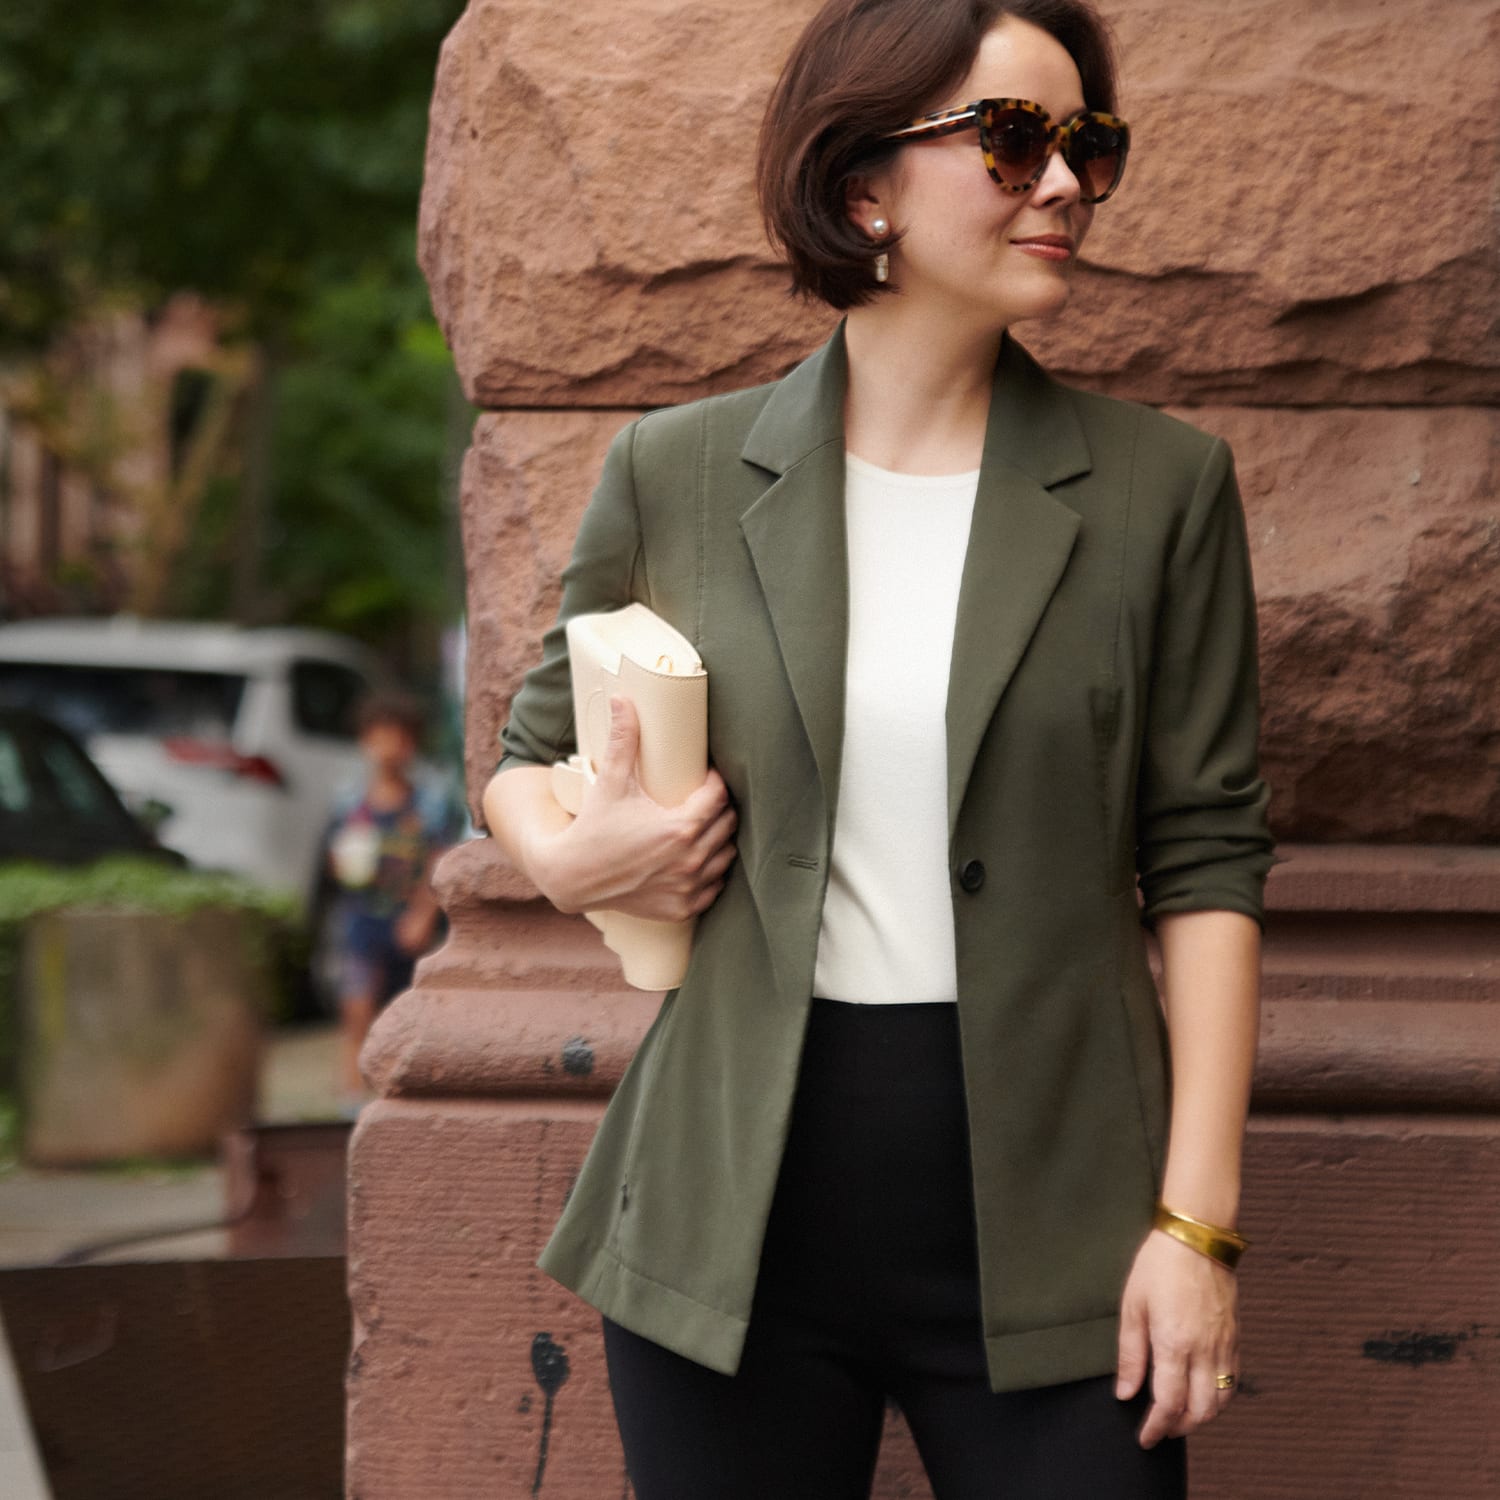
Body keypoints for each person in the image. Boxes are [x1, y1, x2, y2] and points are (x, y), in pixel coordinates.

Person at [483, 0, 1275, 1493]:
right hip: (732, 1222)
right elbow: (522, 758)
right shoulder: (679, 473)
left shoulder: (1162, 493)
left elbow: (1210, 865)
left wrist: (1195, 1229)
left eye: (1084, 147)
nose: (1061, 186)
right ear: (865, 189)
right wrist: (572, 852)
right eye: (1012, 140)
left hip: (1066, 1226)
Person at [324, 690, 460, 1113]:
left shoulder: (431, 802)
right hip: (362, 919)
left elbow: (440, 862)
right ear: (365, 741)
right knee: (357, 1006)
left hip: (410, 922)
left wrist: (422, 915)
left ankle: (407, 1095)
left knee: (411, 1009)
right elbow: (332, 859)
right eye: (379, 737)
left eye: (398, 738)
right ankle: (351, 1097)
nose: (388, 749)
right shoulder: (349, 802)